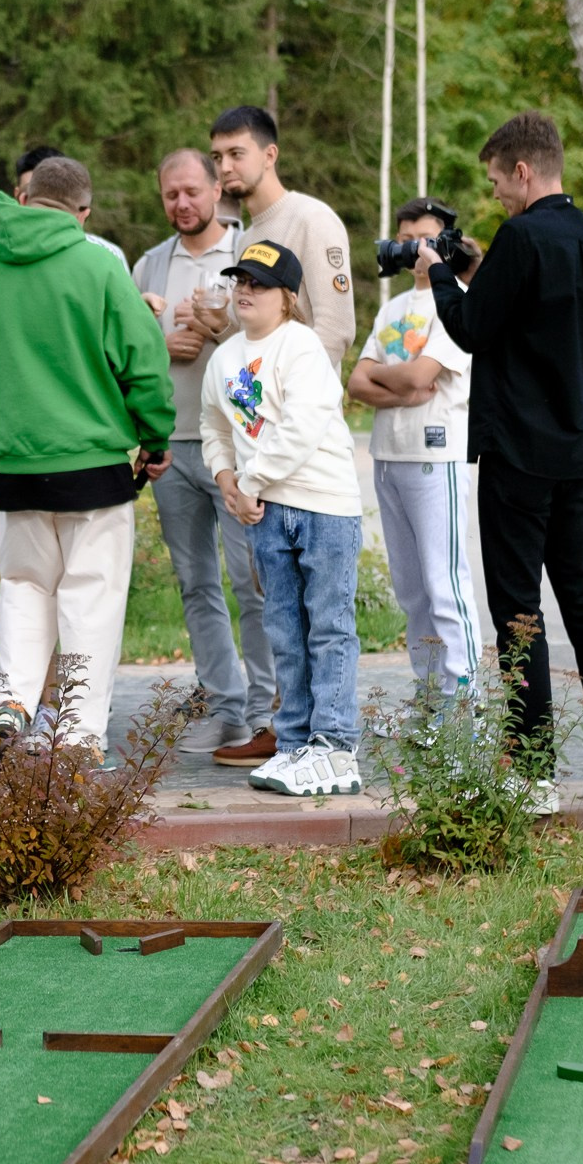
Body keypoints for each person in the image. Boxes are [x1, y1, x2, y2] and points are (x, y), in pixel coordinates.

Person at [417, 110, 583, 812]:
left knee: (518, 608)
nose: (496, 197)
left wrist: (438, 275)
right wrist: (479, 274)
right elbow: (532, 316)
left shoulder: (520, 235)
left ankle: (534, 770)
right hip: (576, 443)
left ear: (523, 170)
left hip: (517, 448)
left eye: (497, 182)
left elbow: (472, 328)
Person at [0, 157, 175, 757]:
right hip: (93, 459)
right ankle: (76, 733)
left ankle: (13, 700)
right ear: (82, 211)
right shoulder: (97, 265)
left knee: (23, 584)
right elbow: (143, 359)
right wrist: (155, 436)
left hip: (15, 460)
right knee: (90, 594)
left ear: (27, 197)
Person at [200, 240, 366, 797]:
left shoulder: (301, 346)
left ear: (288, 298)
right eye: (239, 280)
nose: (244, 290)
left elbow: (302, 427)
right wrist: (227, 481)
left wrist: (247, 483)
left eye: (259, 283)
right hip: (264, 511)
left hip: (321, 504)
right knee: (284, 632)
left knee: (328, 624)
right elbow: (214, 429)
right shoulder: (224, 357)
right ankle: (295, 744)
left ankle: (335, 746)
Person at [129, 147, 276, 762]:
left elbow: (272, 343)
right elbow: (130, 351)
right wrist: (166, 344)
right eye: (171, 195)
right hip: (171, 445)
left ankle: (270, 707)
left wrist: (216, 333)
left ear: (217, 189)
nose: (182, 204)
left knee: (253, 581)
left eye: (192, 190)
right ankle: (225, 706)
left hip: (238, 449)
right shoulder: (147, 266)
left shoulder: (248, 256)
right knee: (196, 583)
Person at [348, 196, 480, 697]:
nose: (411, 249)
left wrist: (394, 380)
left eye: (422, 237)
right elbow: (357, 384)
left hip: (436, 459)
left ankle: (465, 703)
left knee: (444, 586)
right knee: (411, 591)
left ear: (444, 242)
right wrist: (398, 384)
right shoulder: (393, 308)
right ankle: (431, 699)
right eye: (403, 238)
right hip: (388, 458)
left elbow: (425, 374)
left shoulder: (458, 299)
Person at [209, 106, 356, 369]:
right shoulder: (246, 239)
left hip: (303, 406)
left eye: (236, 154)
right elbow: (252, 343)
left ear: (270, 155)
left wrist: (282, 393)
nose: (225, 167)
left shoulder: (312, 219)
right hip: (259, 407)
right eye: (217, 157)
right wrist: (218, 323)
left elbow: (336, 329)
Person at [14, 145, 127, 266]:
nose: (45, 206)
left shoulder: (110, 257)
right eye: (33, 192)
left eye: (52, 190)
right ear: (20, 197)